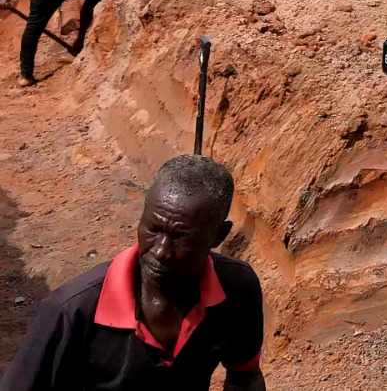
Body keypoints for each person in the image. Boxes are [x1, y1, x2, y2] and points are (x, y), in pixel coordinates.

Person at [1, 156, 266, 391]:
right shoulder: (72, 312)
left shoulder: (237, 289)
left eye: (181, 237)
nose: (161, 251)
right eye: (154, 229)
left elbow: (245, 378)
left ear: (219, 235)